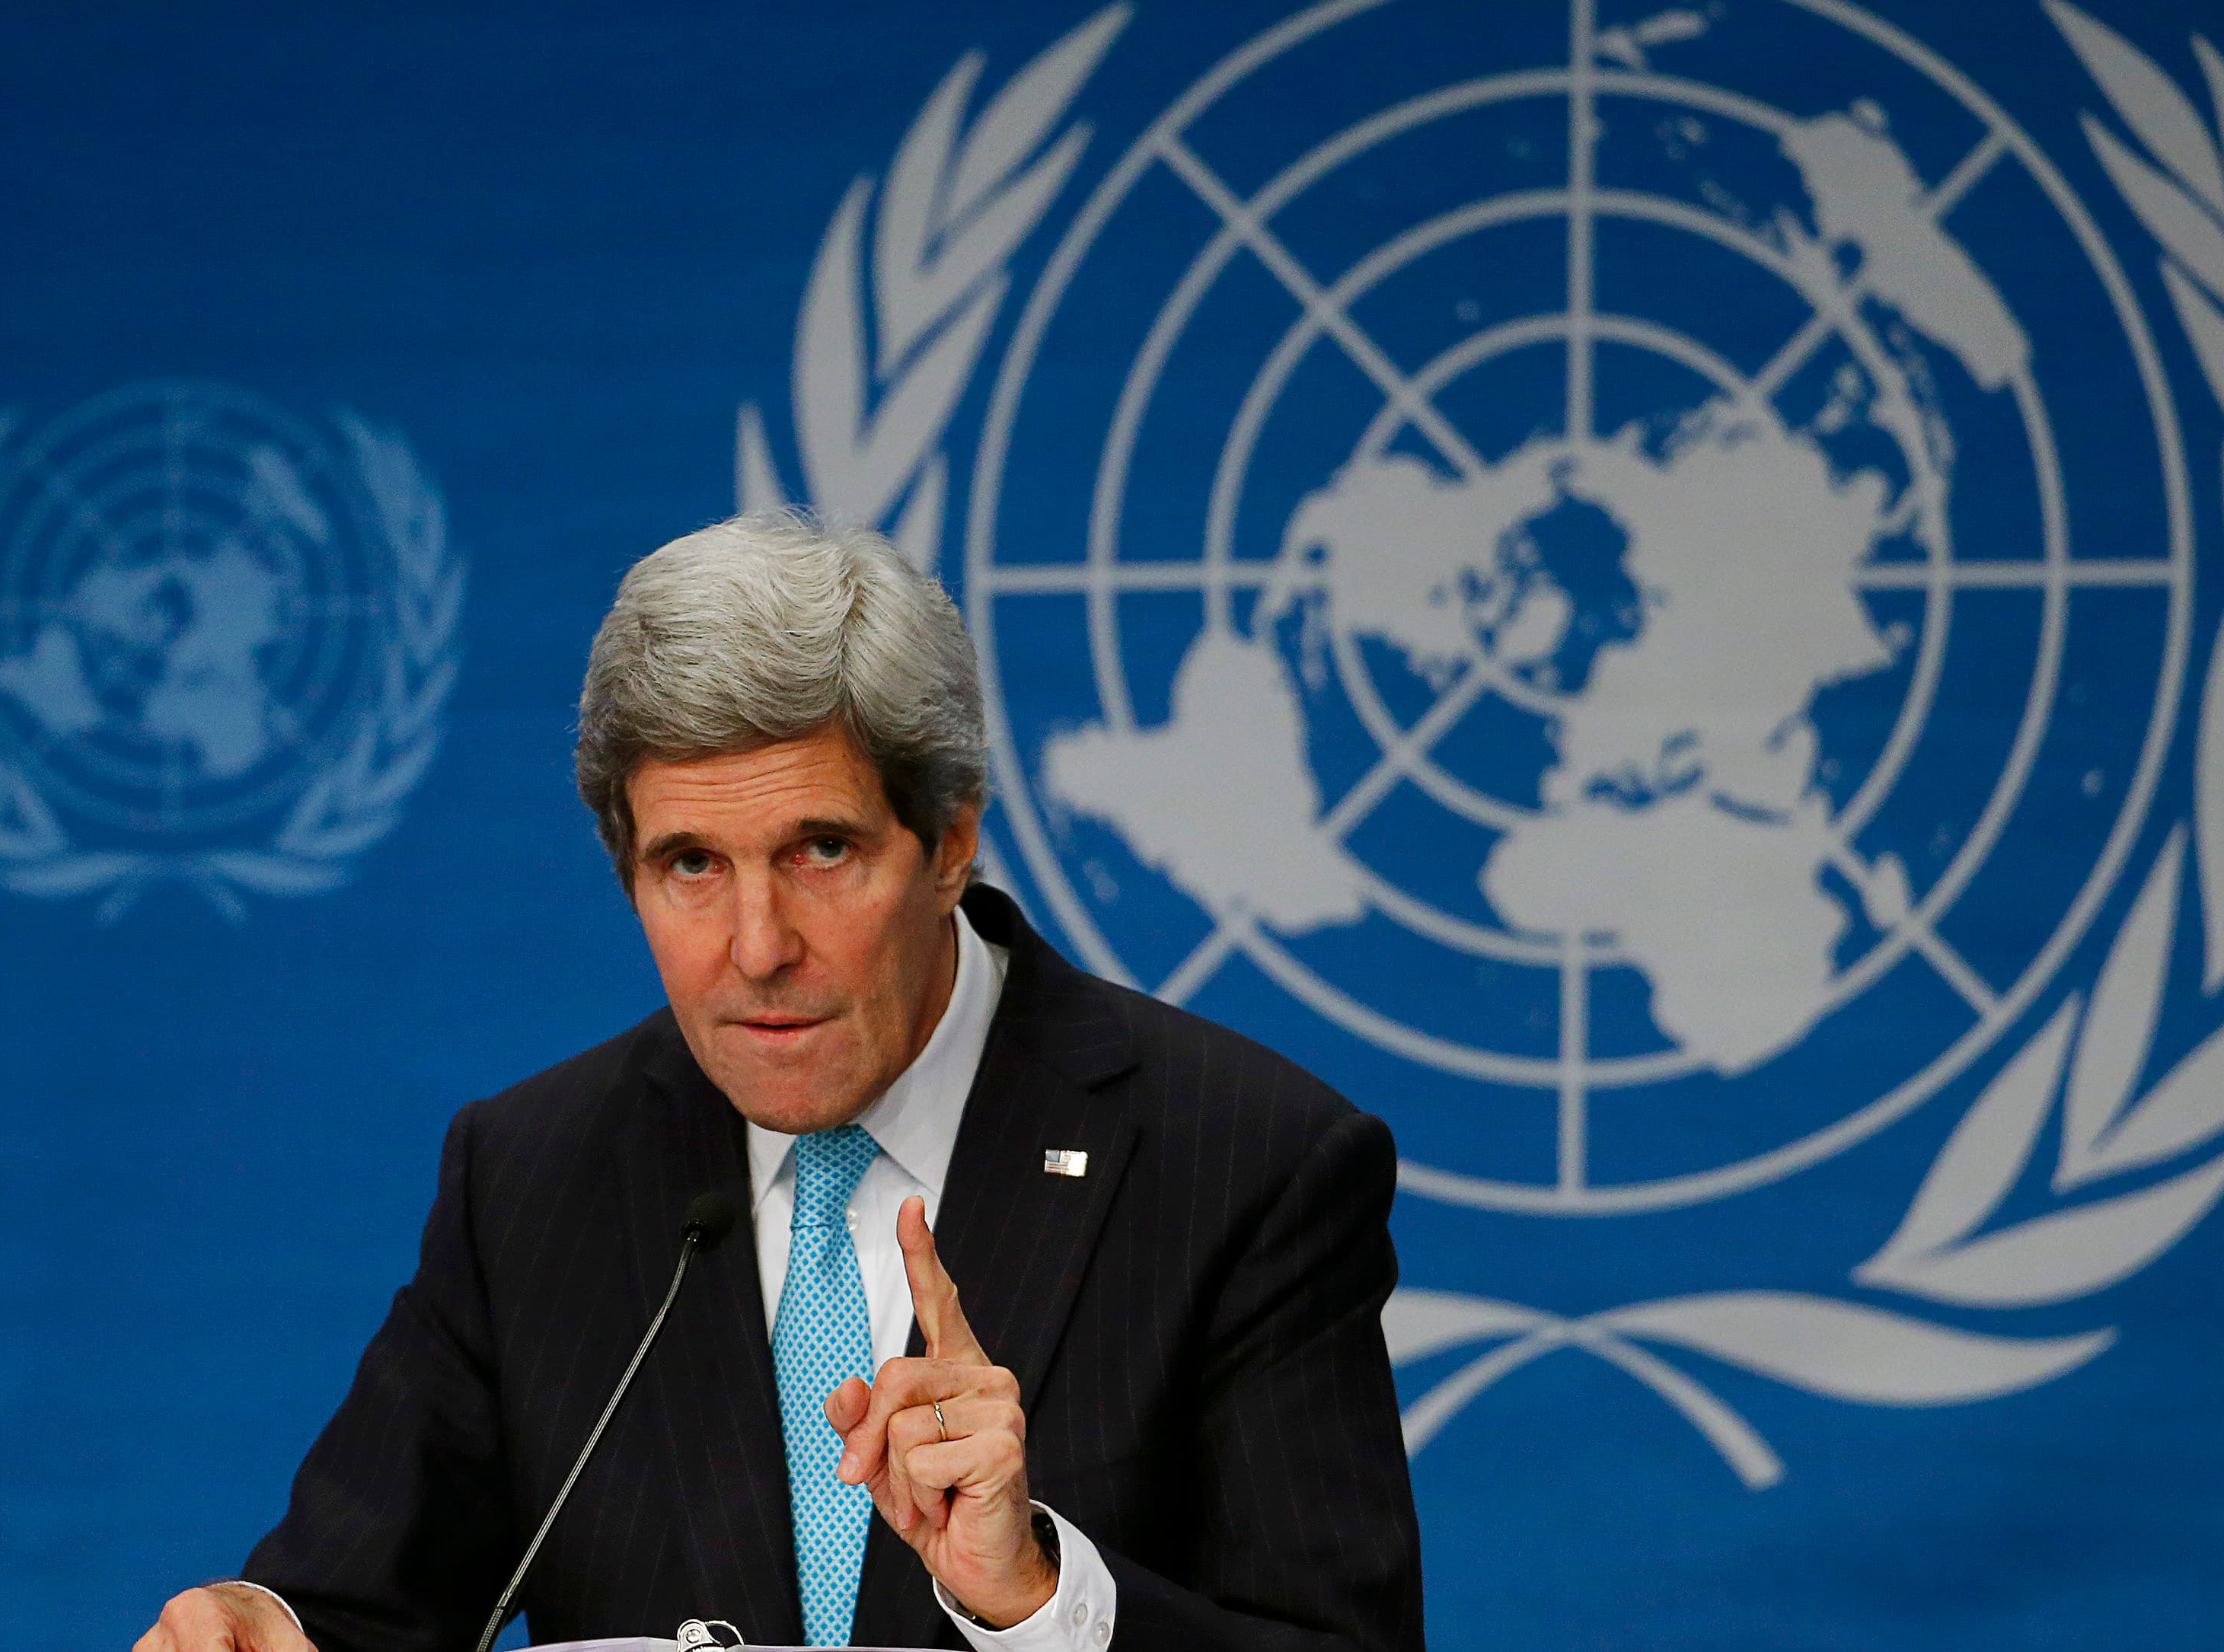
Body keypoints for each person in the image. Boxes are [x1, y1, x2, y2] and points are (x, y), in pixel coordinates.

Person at [136, 514, 1423, 1652]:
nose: (757, 947)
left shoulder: (1240, 1159)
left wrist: (1037, 1598)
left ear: (950, 842)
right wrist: (267, 1625)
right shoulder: (536, 1172)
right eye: (691, 863)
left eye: (819, 848)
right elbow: (358, 1604)